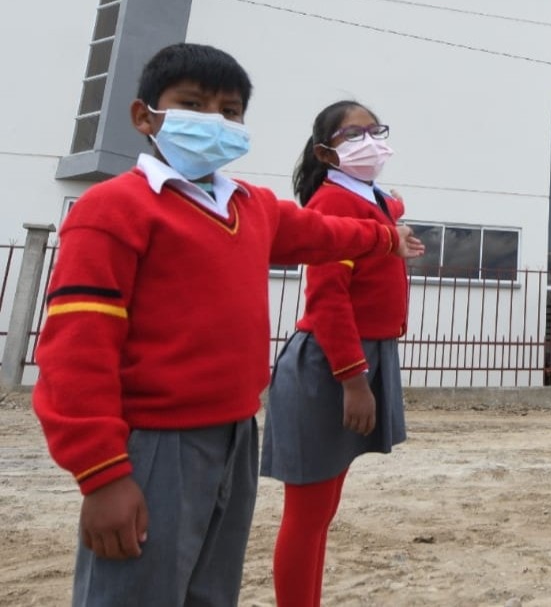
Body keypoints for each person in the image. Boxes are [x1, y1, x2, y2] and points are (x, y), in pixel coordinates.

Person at [31, 44, 424, 607]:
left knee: (212, 590)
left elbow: (324, 235)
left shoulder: (248, 206)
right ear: (145, 116)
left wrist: (387, 238)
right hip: (156, 439)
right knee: (139, 590)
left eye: (230, 111)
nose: (214, 121)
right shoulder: (113, 209)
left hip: (237, 431)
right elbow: (76, 350)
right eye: (193, 105)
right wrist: (101, 473)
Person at [262, 101, 411, 607]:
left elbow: (387, 211)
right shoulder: (333, 204)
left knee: (322, 512)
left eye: (375, 131)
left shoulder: (370, 200)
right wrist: (353, 379)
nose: (370, 142)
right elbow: (328, 299)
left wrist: (395, 213)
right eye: (354, 134)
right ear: (326, 153)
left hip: (361, 355)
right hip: (331, 364)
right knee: (307, 515)